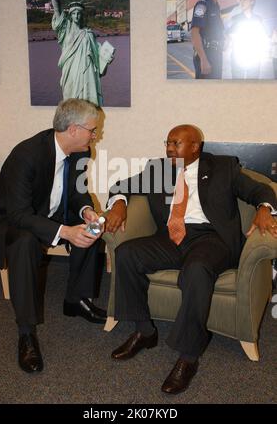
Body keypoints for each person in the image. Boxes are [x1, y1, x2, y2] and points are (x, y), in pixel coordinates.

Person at [105, 125, 277, 395]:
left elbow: (261, 191)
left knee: (196, 270)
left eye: (176, 143)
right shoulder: (158, 170)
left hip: (211, 239)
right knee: (126, 254)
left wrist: (265, 210)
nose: (169, 148)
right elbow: (121, 186)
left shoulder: (223, 168)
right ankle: (144, 331)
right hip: (171, 238)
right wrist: (118, 203)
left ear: (196, 146)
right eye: (168, 142)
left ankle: (188, 356)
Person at [0, 98, 107, 374]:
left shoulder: (80, 151)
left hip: (48, 212)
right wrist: (64, 232)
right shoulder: (26, 155)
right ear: (73, 129)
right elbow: (18, 215)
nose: (95, 135)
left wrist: (87, 210)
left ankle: (76, 299)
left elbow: (76, 192)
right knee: (25, 241)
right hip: (9, 222)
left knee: (91, 228)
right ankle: (26, 334)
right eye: (92, 129)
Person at [46, 0, 114, 106]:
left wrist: (106, 60)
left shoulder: (89, 34)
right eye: (74, 14)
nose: (76, 16)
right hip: (71, 71)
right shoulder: (65, 31)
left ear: (81, 16)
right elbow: (57, 8)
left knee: (88, 106)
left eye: (79, 14)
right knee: (70, 105)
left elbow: (97, 62)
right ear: (70, 16)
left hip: (87, 74)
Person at [191, 0, 226, 79]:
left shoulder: (216, 6)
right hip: (206, 54)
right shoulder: (202, 4)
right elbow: (194, 33)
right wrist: (203, 59)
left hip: (217, 54)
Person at [228, 0, 267, 79]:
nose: (241, 2)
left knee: (252, 84)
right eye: (240, 0)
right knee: (238, 85)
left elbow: (263, 37)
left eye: (244, 0)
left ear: (252, 1)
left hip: (254, 56)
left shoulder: (258, 19)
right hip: (237, 56)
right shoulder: (235, 19)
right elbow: (229, 35)